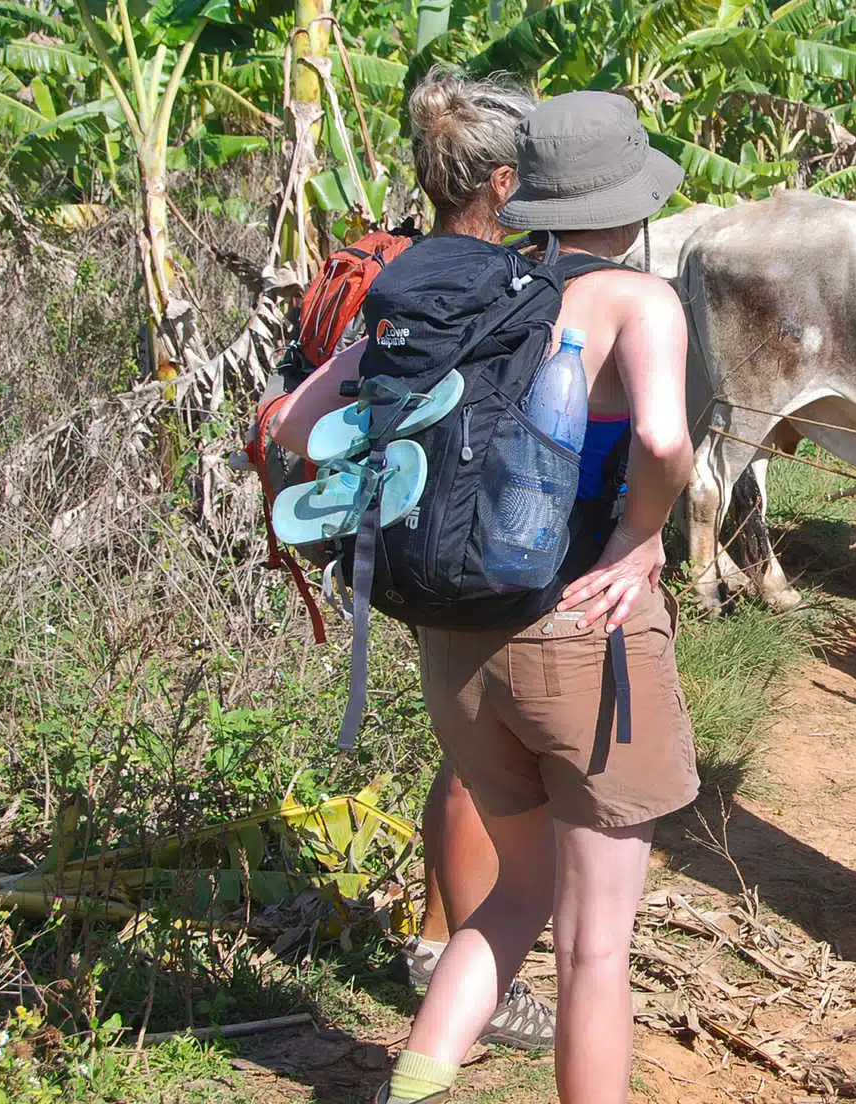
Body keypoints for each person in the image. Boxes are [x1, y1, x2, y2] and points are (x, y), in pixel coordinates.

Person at [275, 91, 700, 1104]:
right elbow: (665, 440)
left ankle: (408, 1088)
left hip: (457, 646)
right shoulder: (637, 299)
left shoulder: (462, 292)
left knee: (513, 897)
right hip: (581, 632)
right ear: (632, 199)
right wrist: (640, 538)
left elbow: (293, 424)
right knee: (597, 944)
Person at [258, 71, 555, 1049]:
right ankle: (461, 960)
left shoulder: (398, 279)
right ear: (503, 183)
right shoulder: (514, 286)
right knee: (484, 768)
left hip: (407, 547)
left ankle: (442, 938)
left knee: (465, 755)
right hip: (485, 557)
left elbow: (293, 420)